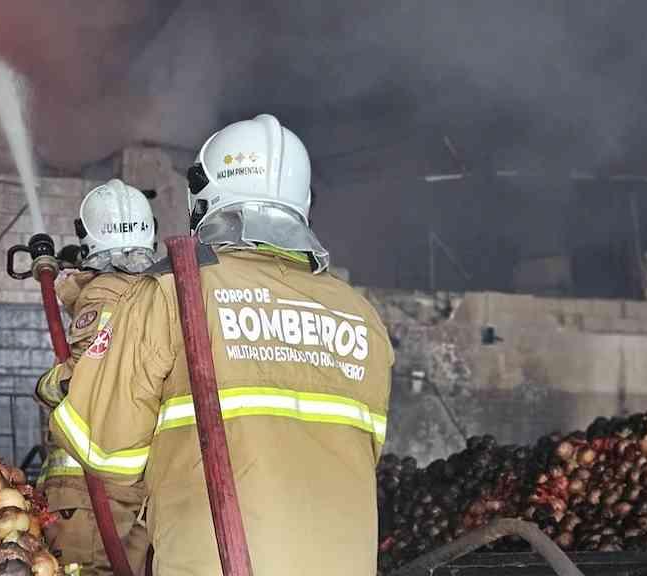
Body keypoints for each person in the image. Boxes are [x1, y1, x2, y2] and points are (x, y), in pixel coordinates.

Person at [50, 115, 394, 575]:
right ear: (303, 203)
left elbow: (102, 448)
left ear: (203, 200)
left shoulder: (172, 293)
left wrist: (65, 382)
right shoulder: (363, 317)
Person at [35, 179, 155, 575]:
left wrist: (44, 385)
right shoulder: (156, 292)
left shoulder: (103, 293)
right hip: (136, 482)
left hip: (89, 487)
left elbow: (82, 382)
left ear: (89, 240)